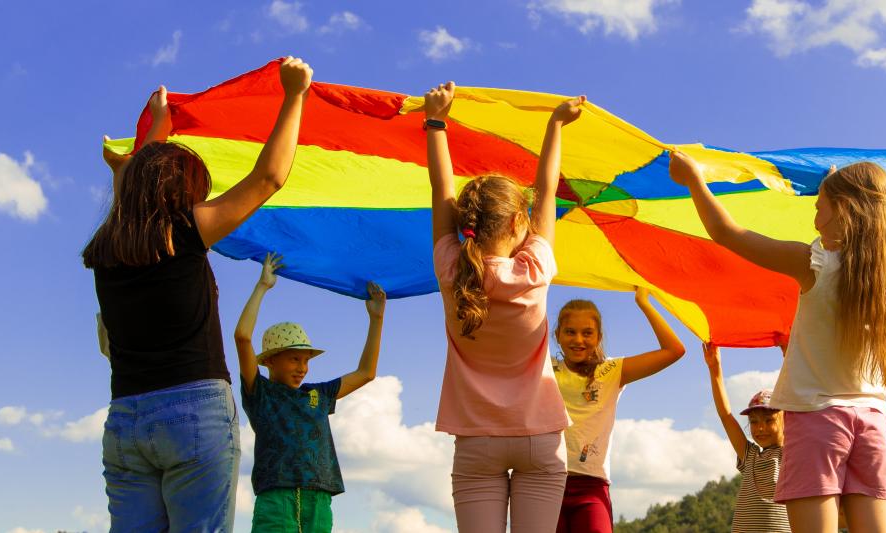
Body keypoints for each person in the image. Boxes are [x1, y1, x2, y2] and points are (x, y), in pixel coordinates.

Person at [84, 56, 314, 531]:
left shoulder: (107, 247)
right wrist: (294, 96)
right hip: (193, 413)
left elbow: (135, 193)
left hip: (126, 419)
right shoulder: (186, 232)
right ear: (181, 195)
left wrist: (158, 129)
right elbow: (268, 177)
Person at [670, 152, 886, 533]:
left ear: (845, 210)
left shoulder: (815, 264)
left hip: (817, 417)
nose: (814, 218)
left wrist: (693, 180)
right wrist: (857, 200)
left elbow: (727, 233)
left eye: (820, 207)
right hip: (871, 422)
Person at [424, 80, 585, 532]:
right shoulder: (535, 269)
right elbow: (547, 192)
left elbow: (440, 191)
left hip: (476, 441)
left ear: (464, 225)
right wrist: (555, 124)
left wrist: (436, 121)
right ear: (521, 223)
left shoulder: (451, 269)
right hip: (539, 438)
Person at [233, 253, 386, 532]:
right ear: (269, 360)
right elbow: (242, 336)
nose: (302, 367)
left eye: (306, 360)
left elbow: (366, 373)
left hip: (319, 498)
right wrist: (262, 286)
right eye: (294, 359)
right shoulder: (260, 392)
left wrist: (377, 319)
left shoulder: (318, 394)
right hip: (276, 499)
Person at [552, 289, 687, 532]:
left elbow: (674, 350)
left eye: (587, 333)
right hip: (546, 482)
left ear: (599, 336)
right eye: (570, 332)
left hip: (591, 486)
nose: (578, 340)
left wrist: (643, 303)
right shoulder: (546, 368)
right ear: (557, 335)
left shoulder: (611, 371)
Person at [704, 344, 790, 532]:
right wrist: (715, 369)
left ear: (786, 419)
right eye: (754, 422)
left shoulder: (791, 453)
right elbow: (726, 416)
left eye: (769, 420)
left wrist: (789, 356)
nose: (760, 428)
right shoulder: (749, 455)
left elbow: (796, 392)